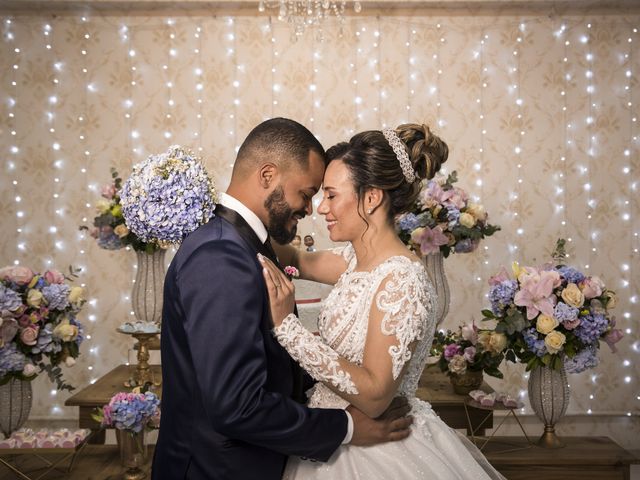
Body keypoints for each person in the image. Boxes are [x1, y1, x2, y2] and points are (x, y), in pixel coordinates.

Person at [152, 118, 413, 480]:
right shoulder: (220, 255)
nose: (311, 209)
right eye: (306, 194)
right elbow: (236, 406)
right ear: (267, 175)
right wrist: (345, 428)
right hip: (217, 470)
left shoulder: (244, 243)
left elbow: (270, 369)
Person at [260, 124, 506, 479]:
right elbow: (294, 257)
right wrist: (238, 218)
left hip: (376, 452)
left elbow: (376, 395)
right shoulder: (353, 261)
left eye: (331, 195)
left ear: (371, 197)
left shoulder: (402, 279)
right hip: (331, 438)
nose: (320, 208)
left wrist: (288, 329)